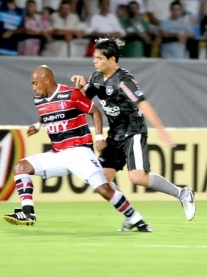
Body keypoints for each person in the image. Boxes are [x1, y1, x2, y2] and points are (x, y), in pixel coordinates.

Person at [3, 65, 152, 232]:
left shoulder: (70, 94)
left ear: (46, 80)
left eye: (35, 83)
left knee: (103, 188)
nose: (33, 88)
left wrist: (98, 137)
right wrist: (38, 125)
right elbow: (45, 110)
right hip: (57, 153)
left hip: (80, 152)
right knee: (20, 167)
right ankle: (28, 212)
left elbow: (95, 112)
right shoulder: (39, 98)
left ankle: (135, 218)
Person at [71, 38, 196, 224]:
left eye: (98, 58)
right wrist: (79, 88)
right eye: (94, 57)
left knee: (137, 177)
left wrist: (161, 131)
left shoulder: (124, 81)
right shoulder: (96, 78)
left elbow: (143, 104)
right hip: (115, 134)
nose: (94, 61)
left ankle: (183, 193)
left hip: (133, 131)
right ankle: (132, 217)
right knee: (101, 181)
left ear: (112, 59)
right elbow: (84, 103)